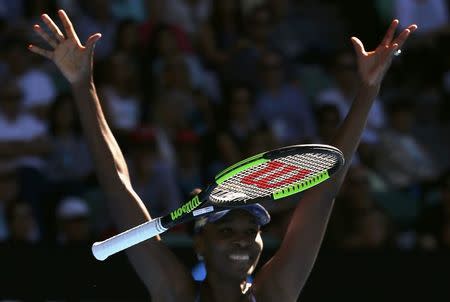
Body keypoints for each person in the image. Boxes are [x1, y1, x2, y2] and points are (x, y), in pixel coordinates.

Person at [28, 9, 417, 301]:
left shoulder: (275, 292)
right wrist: (83, 86)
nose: (242, 240)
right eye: (227, 231)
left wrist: (367, 90)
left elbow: (326, 187)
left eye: (251, 231)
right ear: (199, 244)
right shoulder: (176, 293)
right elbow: (117, 185)